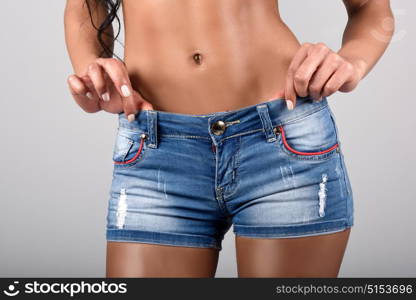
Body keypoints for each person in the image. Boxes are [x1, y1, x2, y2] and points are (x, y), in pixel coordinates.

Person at [64, 0, 394, 277]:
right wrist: (93, 71)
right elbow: (83, 6)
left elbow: (370, 8)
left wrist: (352, 62)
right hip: (156, 150)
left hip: (280, 143)